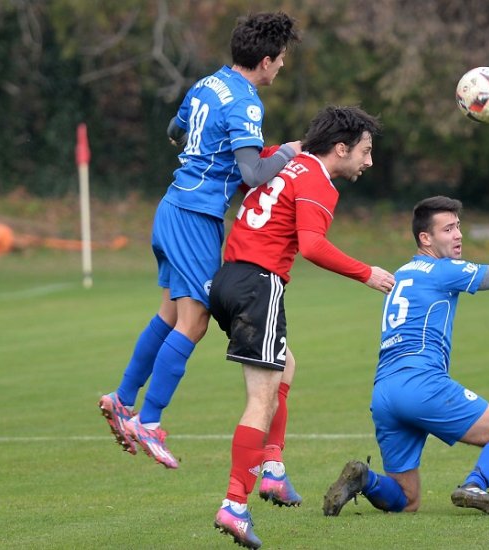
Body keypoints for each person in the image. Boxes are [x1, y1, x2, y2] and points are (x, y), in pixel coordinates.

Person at [98, 12, 301, 468]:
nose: (281, 67)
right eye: (281, 60)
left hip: (171, 206)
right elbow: (252, 173)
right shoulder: (247, 102)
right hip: (196, 217)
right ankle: (148, 422)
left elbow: (176, 129)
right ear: (265, 61)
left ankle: (122, 398)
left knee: (170, 312)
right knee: (195, 322)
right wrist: (287, 153)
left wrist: (199, 154)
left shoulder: (208, 83)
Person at [322, 195, 489, 517]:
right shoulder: (442, 270)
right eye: (448, 229)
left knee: (407, 500)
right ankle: (475, 485)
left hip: (384, 393)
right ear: (426, 238)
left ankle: (365, 479)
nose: (458, 235)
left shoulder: (403, 272)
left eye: (458, 227)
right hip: (423, 385)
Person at [209, 105, 396, 549]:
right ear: (340, 148)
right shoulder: (318, 182)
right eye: (365, 152)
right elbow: (311, 246)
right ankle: (235, 503)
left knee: (285, 365)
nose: (369, 162)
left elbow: (243, 173)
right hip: (259, 283)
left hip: (227, 278)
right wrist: (366, 273)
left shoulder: (281, 157)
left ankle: (272, 467)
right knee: (261, 400)